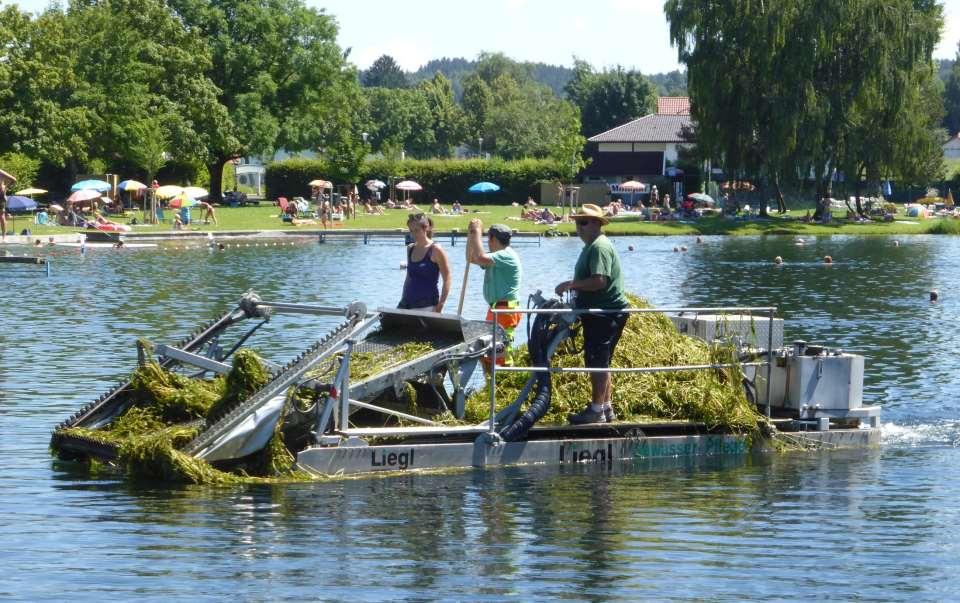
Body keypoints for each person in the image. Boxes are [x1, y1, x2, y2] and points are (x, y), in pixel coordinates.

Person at [554, 203, 630, 424]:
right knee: (600, 361)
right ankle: (605, 408)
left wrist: (571, 285)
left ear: (597, 223)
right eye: (578, 222)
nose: (579, 227)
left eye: (584, 222)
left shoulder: (599, 247)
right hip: (601, 312)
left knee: (598, 361)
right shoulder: (592, 246)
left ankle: (597, 411)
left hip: (605, 313)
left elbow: (599, 281)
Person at [467, 219, 522, 365]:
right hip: (496, 309)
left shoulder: (505, 255)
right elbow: (471, 258)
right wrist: (471, 235)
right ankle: (491, 384)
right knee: (486, 355)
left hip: (505, 310)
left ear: (492, 239)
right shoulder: (494, 257)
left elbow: (479, 257)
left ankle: (504, 382)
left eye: (487, 239)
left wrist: (477, 232)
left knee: (500, 354)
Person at [398, 213, 451, 312]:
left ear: (425, 228)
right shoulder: (410, 248)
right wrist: (402, 299)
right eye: (411, 231)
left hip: (428, 305)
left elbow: (447, 278)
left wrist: (441, 305)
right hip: (407, 303)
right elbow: (408, 277)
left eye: (416, 231)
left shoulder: (436, 249)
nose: (413, 234)